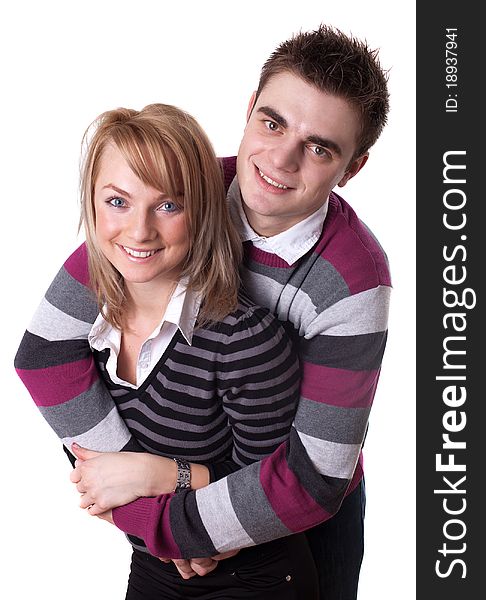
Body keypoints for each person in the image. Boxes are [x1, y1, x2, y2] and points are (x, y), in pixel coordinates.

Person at [15, 24, 391, 599]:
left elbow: (314, 477)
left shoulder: (353, 280)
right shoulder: (180, 194)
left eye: (319, 148)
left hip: (302, 512)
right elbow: (47, 349)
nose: (281, 159)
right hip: (178, 488)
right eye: (273, 122)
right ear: (248, 109)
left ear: (353, 168)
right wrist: (139, 489)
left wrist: (165, 523)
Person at [16, 102, 319, 599]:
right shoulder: (83, 336)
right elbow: (95, 469)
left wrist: (158, 474)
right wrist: (160, 524)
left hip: (255, 579)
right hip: (155, 567)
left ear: (201, 212)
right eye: (118, 201)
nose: (139, 231)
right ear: (90, 203)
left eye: (168, 205)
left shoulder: (244, 340)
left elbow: (267, 490)